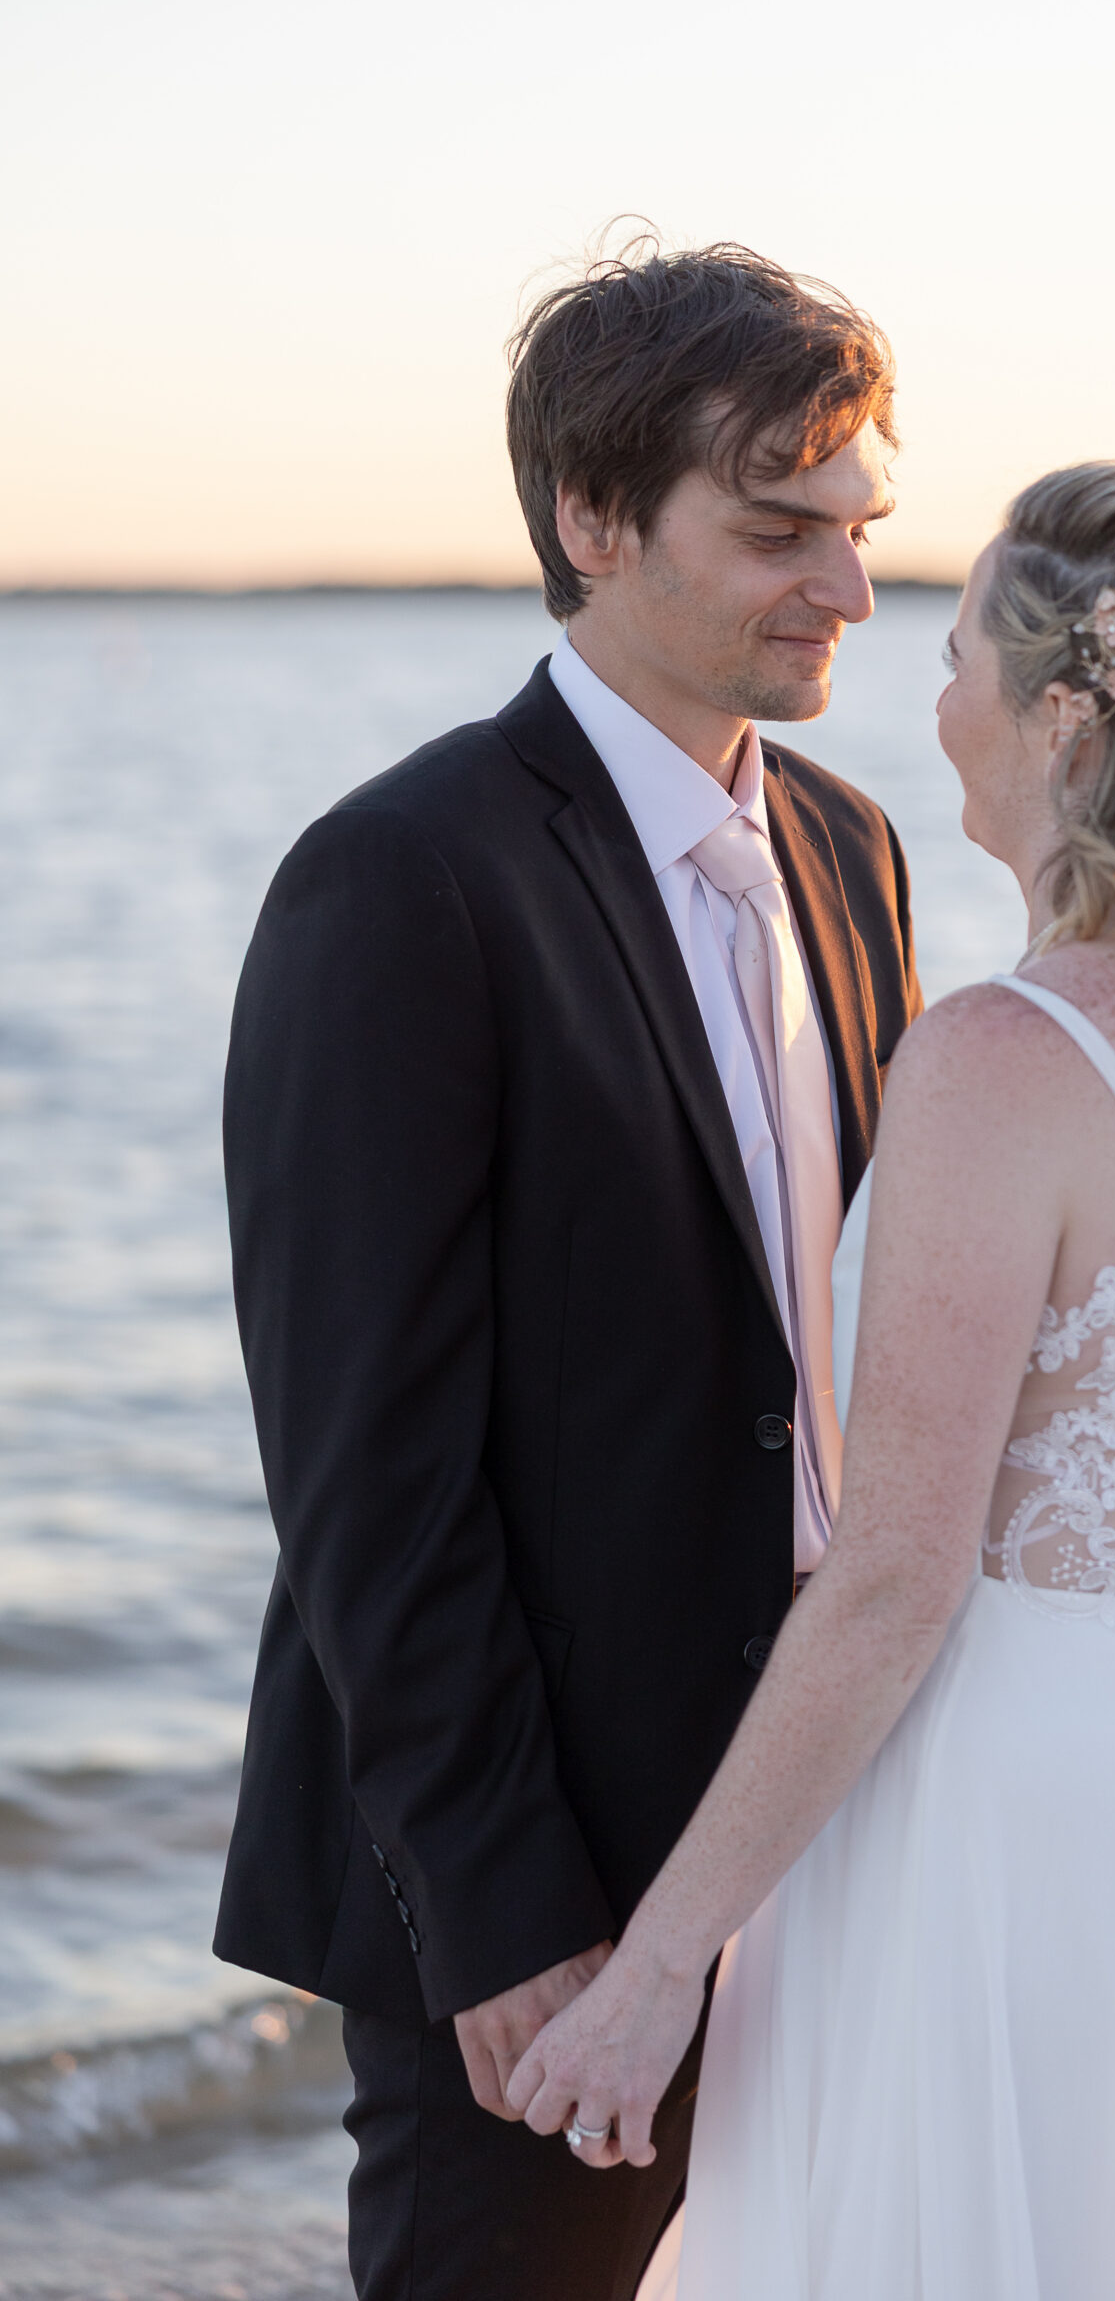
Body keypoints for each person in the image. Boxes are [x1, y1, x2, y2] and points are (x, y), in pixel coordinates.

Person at [506, 461, 1115, 2300]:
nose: (926, 700)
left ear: (1065, 713)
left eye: (954, 659)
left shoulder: (1007, 1059)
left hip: (1019, 1833)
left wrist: (655, 1972)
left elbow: (897, 1579)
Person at [213, 239, 922, 2300]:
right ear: (591, 519)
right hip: (539, 1866)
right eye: (777, 529)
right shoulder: (401, 877)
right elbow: (367, 1477)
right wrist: (506, 1909)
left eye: (860, 530)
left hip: (813, 1819)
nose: (848, 589)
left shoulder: (852, 852)